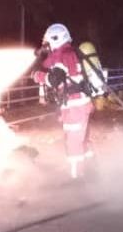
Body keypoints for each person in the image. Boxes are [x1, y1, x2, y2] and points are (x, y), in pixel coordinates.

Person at [33, 23, 94, 179]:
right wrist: (40, 58)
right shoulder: (67, 52)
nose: (46, 46)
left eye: (47, 42)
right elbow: (49, 64)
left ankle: (77, 178)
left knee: (73, 142)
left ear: (56, 39)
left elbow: (54, 78)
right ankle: (91, 170)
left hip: (75, 106)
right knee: (82, 139)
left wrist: (37, 76)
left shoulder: (62, 55)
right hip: (80, 103)